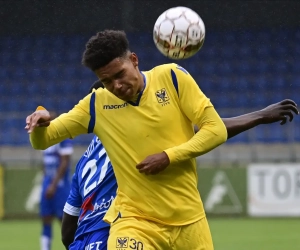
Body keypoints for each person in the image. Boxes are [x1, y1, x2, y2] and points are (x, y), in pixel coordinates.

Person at [25, 30, 299, 250]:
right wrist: (40, 118)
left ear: (134, 60)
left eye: (119, 75)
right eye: (107, 81)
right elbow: (43, 140)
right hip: (135, 220)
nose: (116, 86)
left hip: (189, 221)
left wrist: (169, 156)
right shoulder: (96, 103)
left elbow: (214, 129)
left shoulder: (172, 78)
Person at [61, 80, 298, 250]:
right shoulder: (130, 139)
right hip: (110, 234)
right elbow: (206, 130)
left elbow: (67, 228)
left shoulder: (82, 165)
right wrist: (259, 116)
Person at [62, 81, 117, 250]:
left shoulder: (82, 164)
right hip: (109, 235)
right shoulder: (127, 141)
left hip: (81, 241)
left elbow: (66, 233)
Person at [39, 111, 73, 250]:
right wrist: (46, 180)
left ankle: (74, 246)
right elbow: (45, 163)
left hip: (60, 186)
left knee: (65, 222)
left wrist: (53, 185)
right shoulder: (44, 137)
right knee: (46, 218)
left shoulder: (63, 137)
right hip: (48, 182)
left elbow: (65, 162)